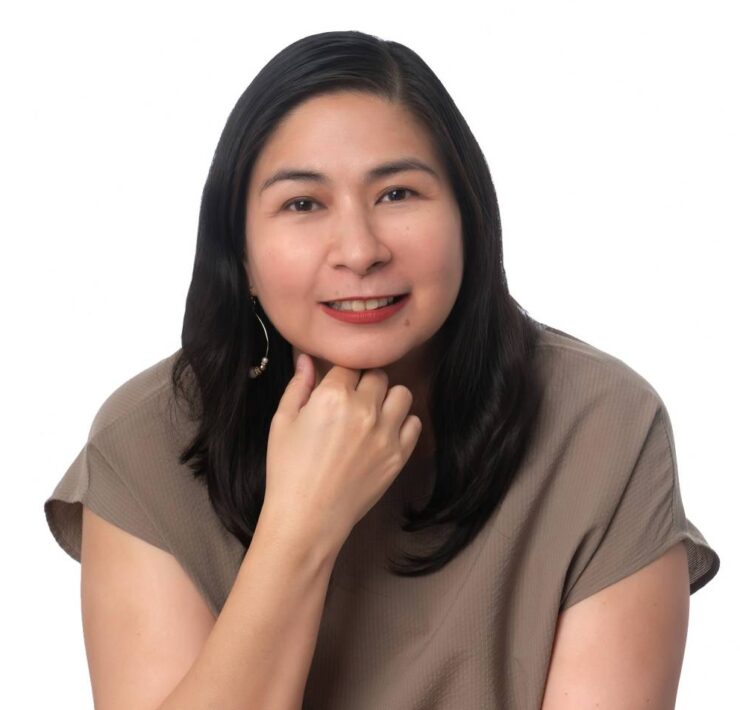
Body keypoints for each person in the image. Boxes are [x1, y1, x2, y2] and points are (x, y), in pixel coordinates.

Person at [44, 30, 720, 709]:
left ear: (469, 220)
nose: (360, 250)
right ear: (241, 254)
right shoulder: (147, 441)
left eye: (397, 193)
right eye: (303, 204)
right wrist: (300, 527)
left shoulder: (601, 426)